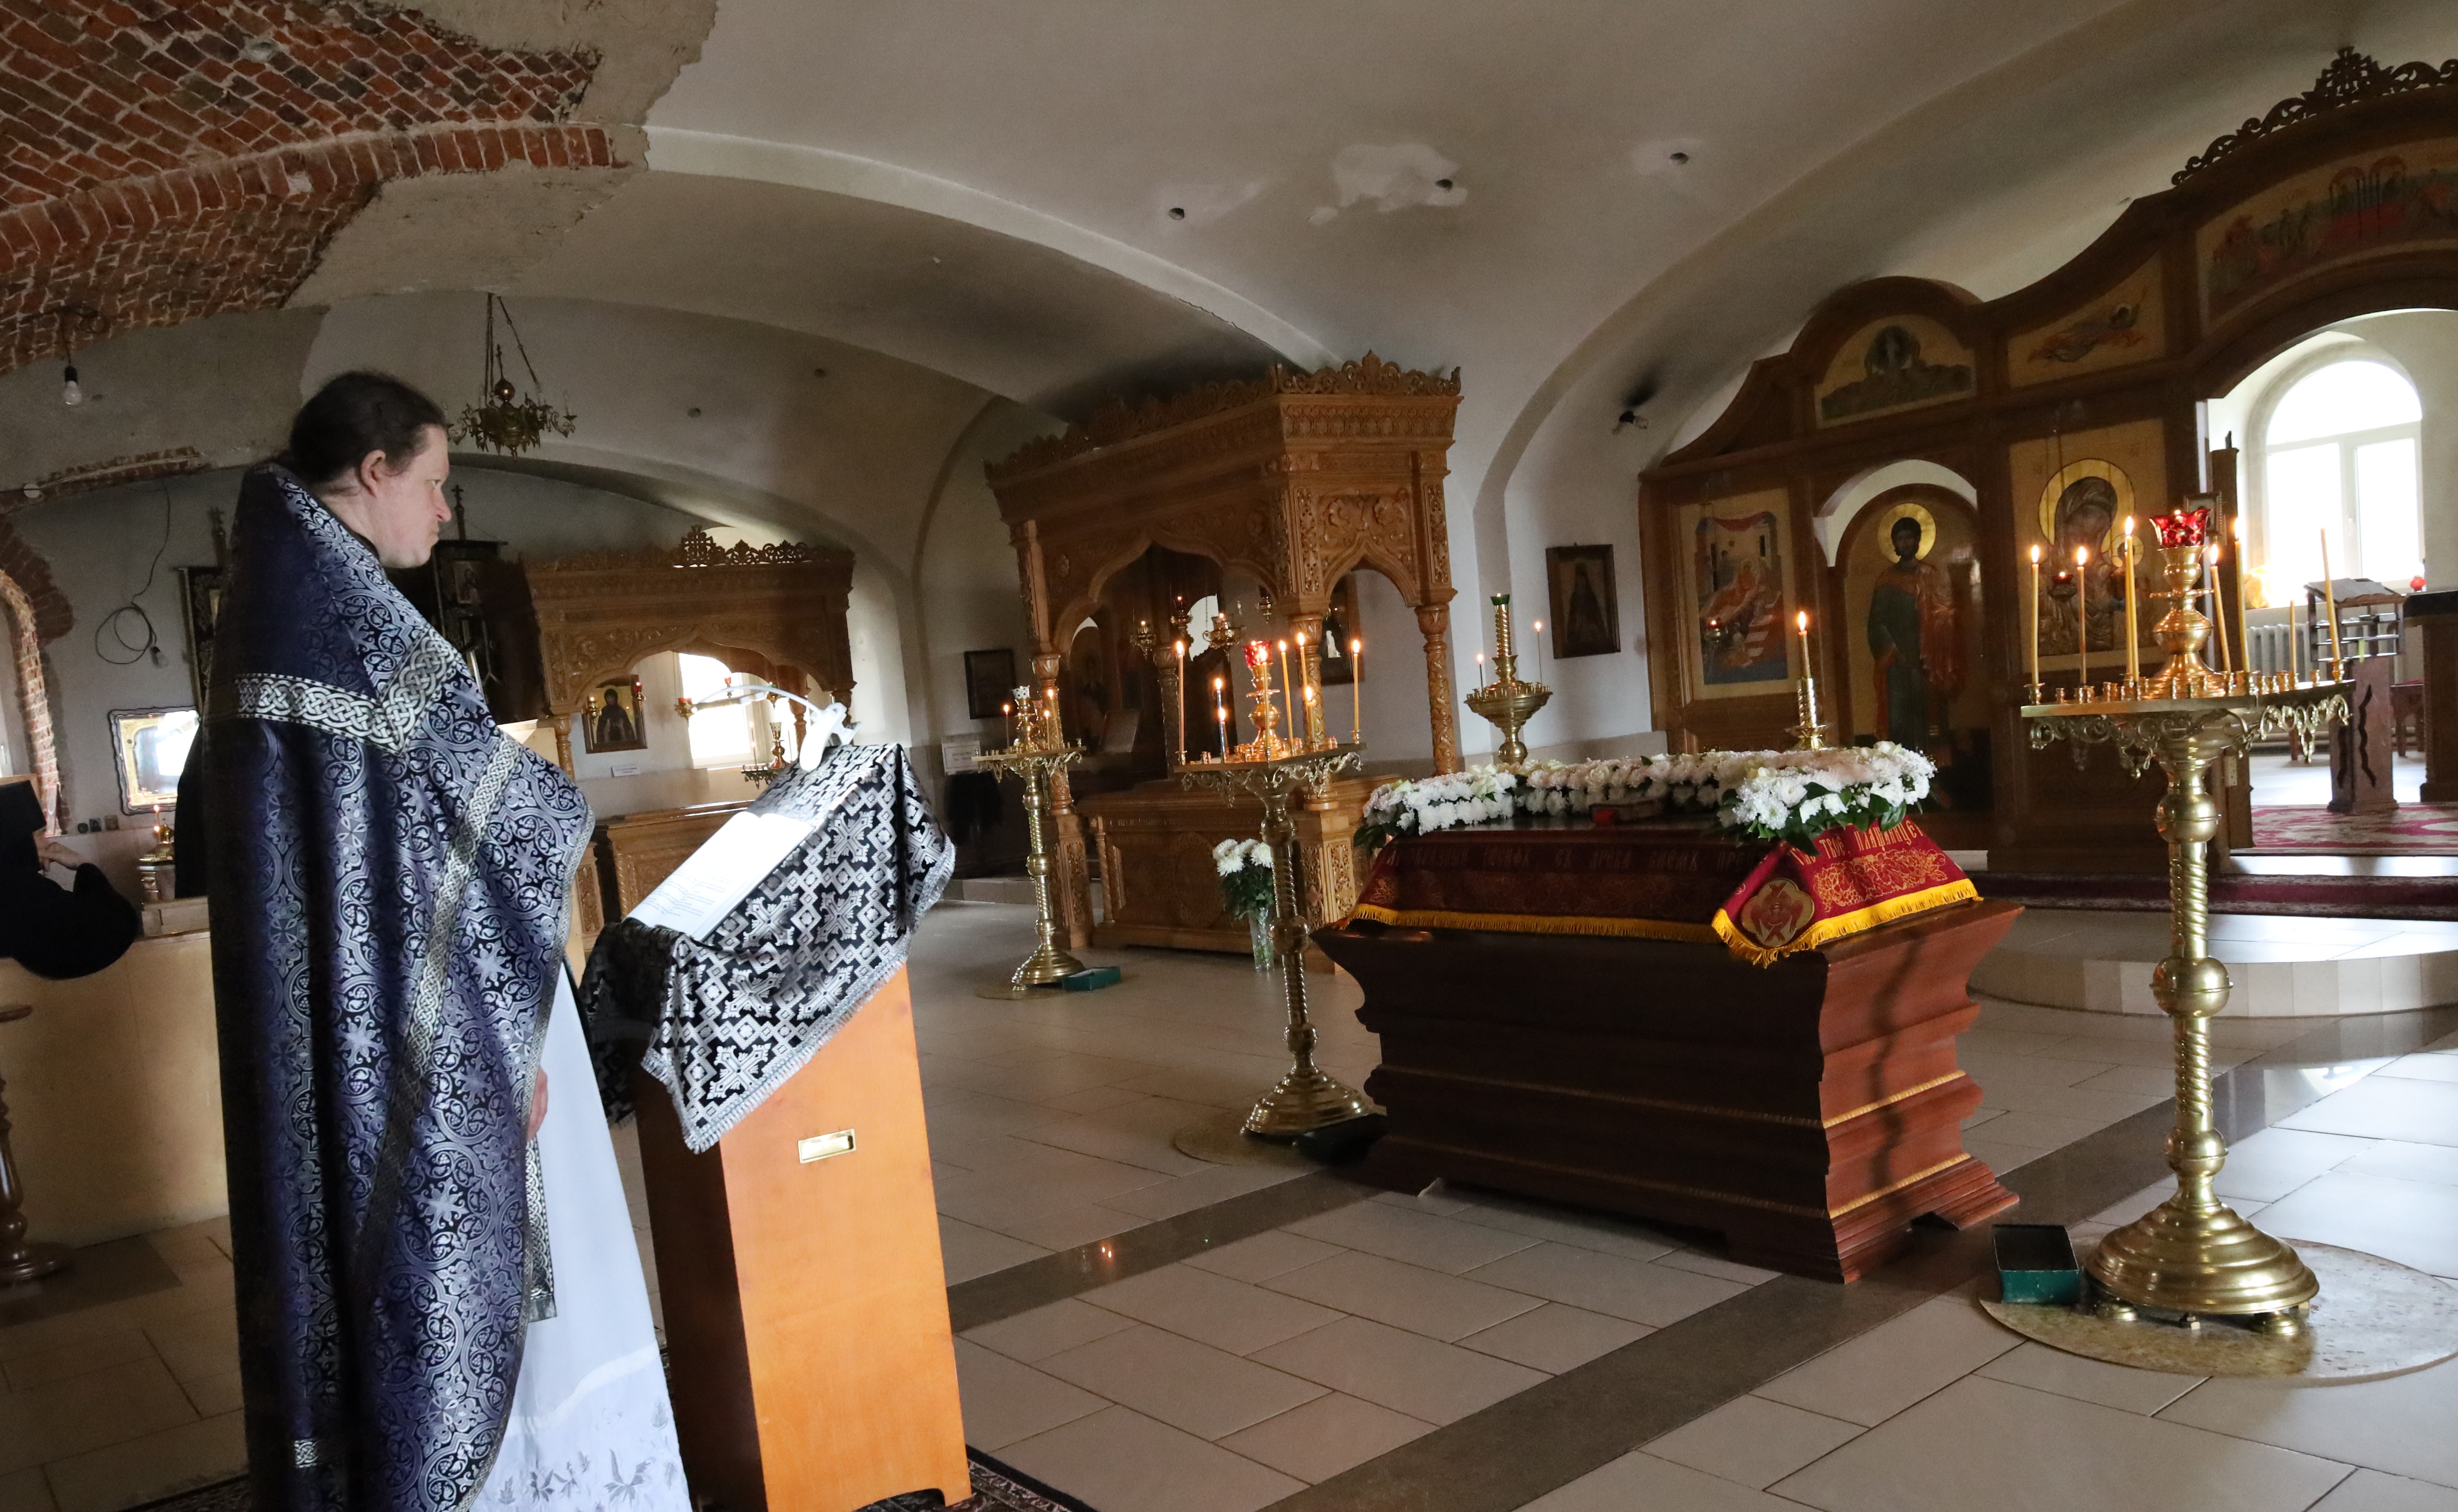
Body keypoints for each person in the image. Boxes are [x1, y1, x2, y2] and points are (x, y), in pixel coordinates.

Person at [199, 372, 685, 1512]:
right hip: (434, 1024)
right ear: (374, 472)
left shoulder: (280, 601)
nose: (444, 509)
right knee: (481, 1279)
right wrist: (492, 1052)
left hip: (361, 1016)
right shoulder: (350, 622)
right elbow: (499, 816)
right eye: (434, 481)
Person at [0, 776, 138, 978]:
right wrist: (84, 865)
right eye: (39, 836)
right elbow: (108, 931)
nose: (47, 843)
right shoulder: (20, 891)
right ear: (17, 840)